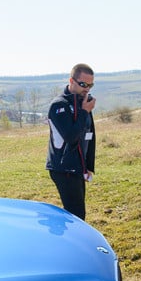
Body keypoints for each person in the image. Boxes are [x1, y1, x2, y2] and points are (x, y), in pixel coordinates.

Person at [46, 63, 97, 220]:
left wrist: (89, 167)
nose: (87, 89)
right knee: (76, 215)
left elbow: (90, 136)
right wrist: (84, 112)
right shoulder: (59, 105)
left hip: (78, 168)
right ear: (71, 81)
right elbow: (70, 137)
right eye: (83, 84)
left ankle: (60, 236)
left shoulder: (83, 103)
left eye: (90, 85)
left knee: (76, 214)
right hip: (64, 169)